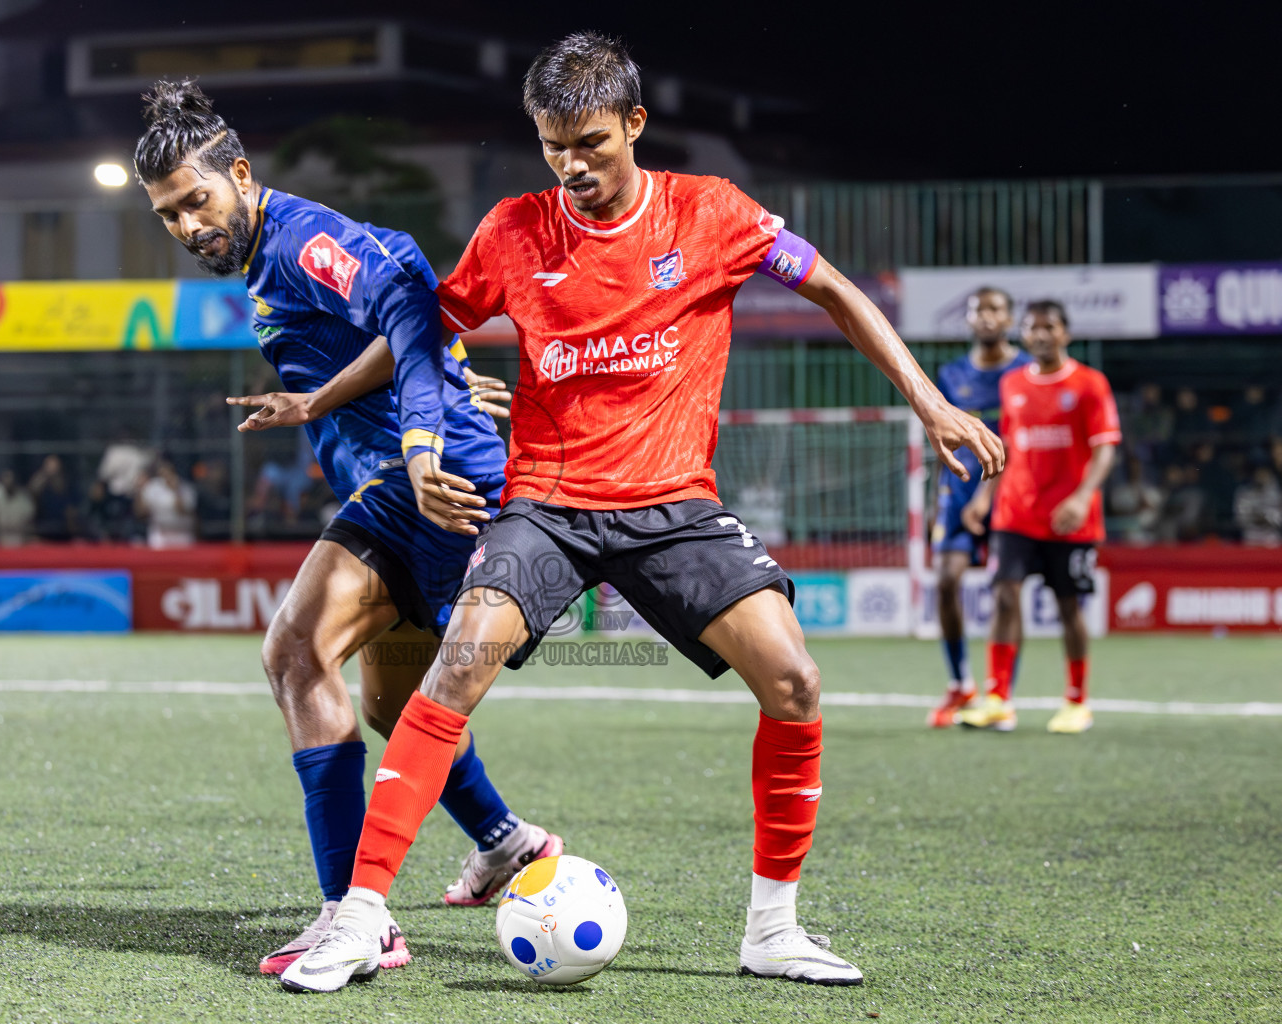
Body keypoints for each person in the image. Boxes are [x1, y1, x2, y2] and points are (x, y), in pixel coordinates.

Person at [279, 33, 1003, 993]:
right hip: (545, 504)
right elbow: (423, 331)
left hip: (673, 506)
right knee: (449, 676)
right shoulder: (514, 230)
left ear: (634, 124)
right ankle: (360, 921)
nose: (572, 166)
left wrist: (929, 399)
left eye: (590, 142)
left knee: (793, 680)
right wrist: (321, 399)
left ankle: (773, 931)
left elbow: (830, 286)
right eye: (552, 146)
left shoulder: (712, 213)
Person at [134, 79, 556, 975]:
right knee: (392, 700)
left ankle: (353, 917)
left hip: (424, 480)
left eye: (197, 200)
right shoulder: (262, 256)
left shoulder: (296, 240)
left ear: (241, 175)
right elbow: (405, 326)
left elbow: (405, 287)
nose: (186, 225)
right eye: (168, 214)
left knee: (294, 651)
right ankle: (507, 841)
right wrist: (360, 392)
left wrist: (418, 435)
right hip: (420, 469)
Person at [959, 300, 1120, 735]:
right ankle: (998, 699)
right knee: (1005, 594)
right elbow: (1008, 446)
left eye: (1050, 327)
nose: (1042, 334)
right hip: (1015, 512)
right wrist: (982, 496)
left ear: (1065, 333)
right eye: (1034, 328)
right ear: (1025, 335)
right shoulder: (1013, 383)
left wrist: (1083, 496)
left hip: (1069, 518)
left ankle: (1077, 701)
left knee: (1069, 606)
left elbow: (1105, 446)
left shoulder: (1089, 384)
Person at [926, 287, 1032, 728]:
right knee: (947, 582)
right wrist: (939, 500)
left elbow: (1021, 442)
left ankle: (1001, 696)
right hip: (959, 492)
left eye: (996, 310)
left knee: (1007, 592)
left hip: (1009, 494)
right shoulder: (951, 375)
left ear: (1008, 319)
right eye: (979, 311)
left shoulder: (1026, 371)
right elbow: (943, 440)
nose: (987, 317)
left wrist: (989, 497)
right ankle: (961, 683)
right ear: (969, 320)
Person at [136, 458, 196, 549]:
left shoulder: (186, 488)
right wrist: (140, 490)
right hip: (160, 535)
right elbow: (141, 513)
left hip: (182, 535)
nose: (166, 475)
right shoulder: (153, 487)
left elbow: (182, 511)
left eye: (169, 472)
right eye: (163, 471)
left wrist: (176, 491)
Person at [0, 469, 34, 547]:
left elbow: (31, 521)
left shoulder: (24, 497)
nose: (8, 482)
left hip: (20, 542)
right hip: (0, 541)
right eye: (6, 478)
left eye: (11, 479)